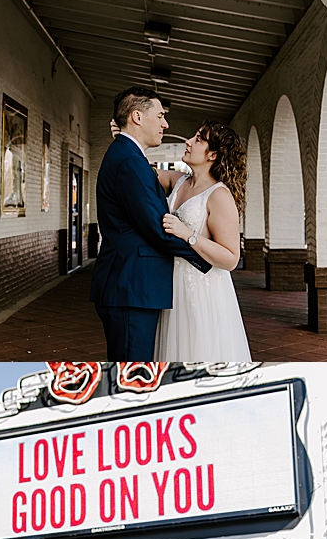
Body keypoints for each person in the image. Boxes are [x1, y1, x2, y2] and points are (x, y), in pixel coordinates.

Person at [90, 86, 212, 361]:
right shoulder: (128, 160)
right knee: (132, 367)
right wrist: (207, 256)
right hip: (130, 286)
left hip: (132, 285)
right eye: (159, 116)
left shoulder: (131, 156)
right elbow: (158, 228)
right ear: (137, 117)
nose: (165, 124)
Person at [153, 121, 252, 362]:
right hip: (172, 281)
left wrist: (188, 235)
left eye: (198, 139)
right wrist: (125, 137)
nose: (188, 142)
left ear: (213, 154)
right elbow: (141, 171)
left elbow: (230, 259)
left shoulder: (219, 195)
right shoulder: (178, 181)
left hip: (202, 288)